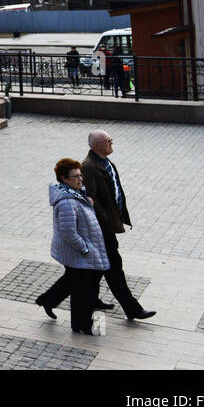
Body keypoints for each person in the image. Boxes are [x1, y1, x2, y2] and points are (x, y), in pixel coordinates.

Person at [80, 130, 155, 321]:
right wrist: (105, 219)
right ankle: (133, 309)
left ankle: (64, 299)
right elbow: (90, 198)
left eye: (111, 140)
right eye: (107, 141)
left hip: (108, 224)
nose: (111, 143)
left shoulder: (105, 162)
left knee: (96, 269)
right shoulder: (89, 166)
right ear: (96, 145)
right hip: (101, 228)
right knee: (114, 269)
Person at [40, 157, 109, 335]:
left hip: (78, 250)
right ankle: (81, 324)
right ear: (64, 179)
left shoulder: (77, 194)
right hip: (76, 251)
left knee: (73, 281)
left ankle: (48, 300)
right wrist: (84, 248)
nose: (80, 179)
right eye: (75, 177)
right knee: (81, 289)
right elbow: (69, 232)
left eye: (80, 175)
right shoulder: (68, 202)